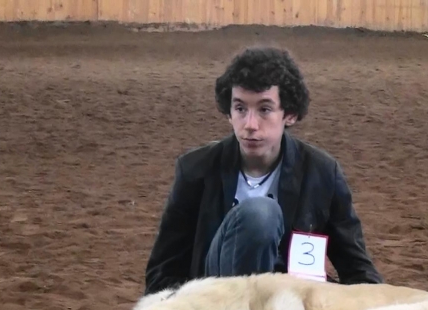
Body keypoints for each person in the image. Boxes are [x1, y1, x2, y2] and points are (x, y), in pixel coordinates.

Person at [143, 46, 383, 296]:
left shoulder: (322, 173)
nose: (250, 125)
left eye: (265, 109)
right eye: (240, 109)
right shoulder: (195, 170)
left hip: (289, 307)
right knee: (260, 214)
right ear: (229, 112)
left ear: (289, 114)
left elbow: (358, 269)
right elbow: (161, 274)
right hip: (216, 301)